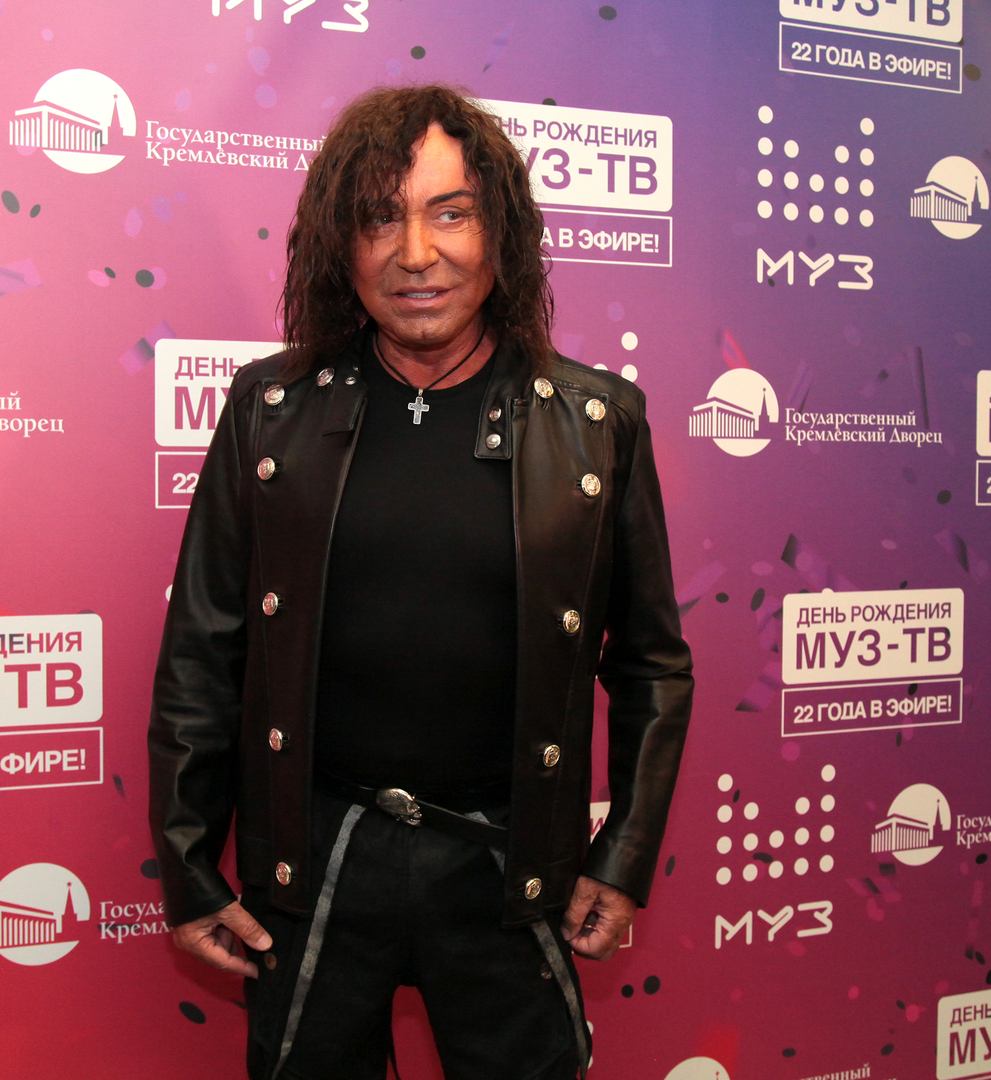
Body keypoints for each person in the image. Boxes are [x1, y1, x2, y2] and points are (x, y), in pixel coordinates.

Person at [149, 84, 692, 1080]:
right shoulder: (269, 411)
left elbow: (652, 665)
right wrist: (188, 867)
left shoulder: (596, 425)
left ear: (501, 233)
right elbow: (202, 653)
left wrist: (621, 856)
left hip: (509, 865)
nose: (415, 252)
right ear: (338, 244)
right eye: (378, 218)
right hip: (313, 860)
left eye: (451, 213)